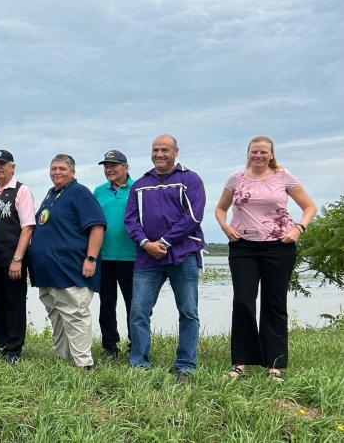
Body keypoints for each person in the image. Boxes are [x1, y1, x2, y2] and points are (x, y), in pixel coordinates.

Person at [215, 136, 316, 382]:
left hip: (279, 247)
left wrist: (298, 229)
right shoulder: (236, 178)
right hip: (243, 247)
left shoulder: (283, 176)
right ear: (248, 153)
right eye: (254, 152)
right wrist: (225, 227)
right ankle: (240, 362)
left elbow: (309, 206)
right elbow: (220, 208)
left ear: (271, 154)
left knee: (274, 303)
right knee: (243, 302)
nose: (258, 156)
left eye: (263, 152)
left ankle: (274, 365)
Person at [125, 134, 205, 382]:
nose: (159, 154)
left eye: (165, 150)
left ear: (176, 152)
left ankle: (185, 365)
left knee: (188, 311)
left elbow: (193, 217)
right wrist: (146, 243)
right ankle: (139, 363)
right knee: (138, 311)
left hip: (183, 255)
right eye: (155, 150)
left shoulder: (189, 179)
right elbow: (130, 219)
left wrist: (165, 242)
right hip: (147, 259)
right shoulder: (140, 184)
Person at [29, 154, 106, 369]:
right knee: (56, 315)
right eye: (53, 168)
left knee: (75, 314)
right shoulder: (51, 194)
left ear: (72, 172)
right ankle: (62, 357)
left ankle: (83, 363)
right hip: (49, 271)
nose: (57, 172)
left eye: (62, 168)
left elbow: (97, 226)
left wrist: (91, 259)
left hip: (70, 268)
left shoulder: (79, 193)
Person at [0, 149, 35, 364]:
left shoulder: (22, 191)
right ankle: (1, 343)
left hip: (12, 255)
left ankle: (14, 348)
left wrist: (18, 259)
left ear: (12, 166)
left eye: (2, 164)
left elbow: (28, 227)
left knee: (14, 302)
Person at [93, 149, 135, 359]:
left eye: (114, 165)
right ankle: (110, 347)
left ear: (125, 167)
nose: (109, 169)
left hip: (133, 258)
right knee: (106, 304)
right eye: (106, 166)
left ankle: (135, 346)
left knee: (134, 305)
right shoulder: (99, 191)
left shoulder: (138, 188)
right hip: (105, 257)